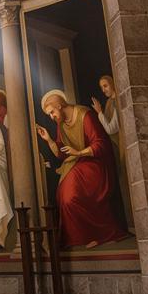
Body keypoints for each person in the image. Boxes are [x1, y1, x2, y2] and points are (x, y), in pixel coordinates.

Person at [35, 90, 129, 249]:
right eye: (49, 114)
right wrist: (49, 139)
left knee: (72, 195)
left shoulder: (85, 115)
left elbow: (100, 144)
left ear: (59, 105)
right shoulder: (61, 124)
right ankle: (81, 236)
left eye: (52, 112)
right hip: (78, 163)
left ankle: (96, 233)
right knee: (64, 196)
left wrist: (78, 152)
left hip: (97, 163)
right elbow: (62, 153)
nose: (52, 117)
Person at [91, 75, 120, 142]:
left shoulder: (118, 101)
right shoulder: (109, 102)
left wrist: (99, 112)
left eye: (105, 86)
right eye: (101, 88)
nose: (103, 90)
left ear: (112, 84)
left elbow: (110, 129)